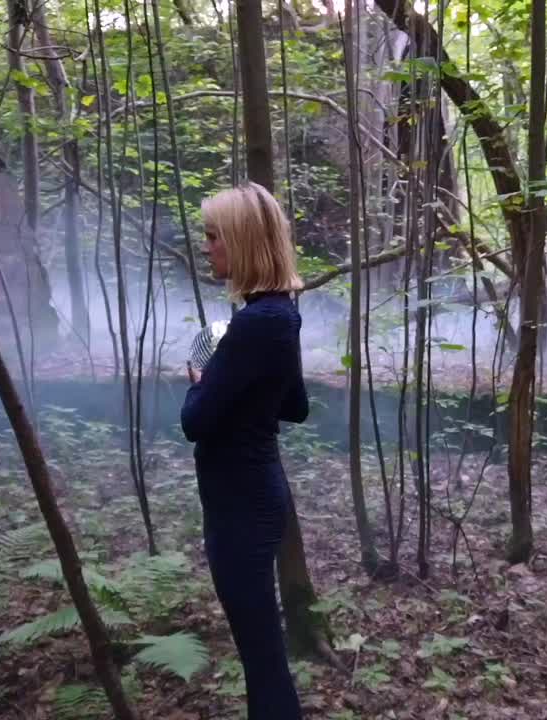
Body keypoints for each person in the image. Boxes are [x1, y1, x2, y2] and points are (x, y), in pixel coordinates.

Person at [180, 182, 307, 719]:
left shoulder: (257, 323)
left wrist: (200, 380)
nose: (206, 247)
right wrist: (237, 382)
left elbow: (195, 421)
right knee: (261, 651)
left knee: (262, 656)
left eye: (213, 237)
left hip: (241, 505)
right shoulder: (278, 312)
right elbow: (295, 404)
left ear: (243, 242)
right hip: (252, 495)